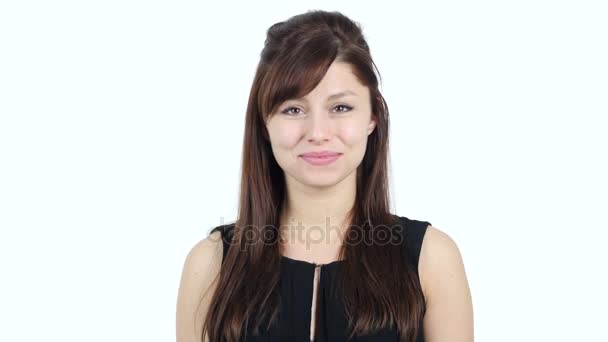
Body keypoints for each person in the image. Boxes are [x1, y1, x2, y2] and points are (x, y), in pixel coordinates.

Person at [176, 10, 473, 342]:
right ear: (264, 122)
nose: (317, 132)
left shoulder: (432, 260)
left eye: (340, 108)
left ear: (372, 116)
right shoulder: (211, 266)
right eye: (293, 109)